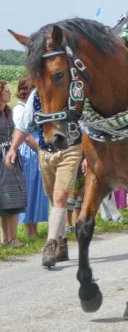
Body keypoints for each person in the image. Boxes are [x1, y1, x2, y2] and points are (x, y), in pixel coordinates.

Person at [5, 89, 82, 267]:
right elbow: (24, 126)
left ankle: (50, 245)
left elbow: (87, 123)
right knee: (54, 199)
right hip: (45, 151)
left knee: (60, 196)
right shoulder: (36, 95)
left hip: (70, 148)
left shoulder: (75, 91)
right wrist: (13, 149)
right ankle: (62, 242)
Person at [12, 75, 48, 238]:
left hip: (38, 148)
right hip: (29, 151)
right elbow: (25, 135)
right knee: (29, 190)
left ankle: (34, 228)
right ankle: (29, 230)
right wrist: (40, 149)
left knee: (38, 190)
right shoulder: (19, 109)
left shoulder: (34, 107)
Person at [0, 81, 26, 247]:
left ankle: (13, 238)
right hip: (1, 159)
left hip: (11, 156)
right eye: (6, 91)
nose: (10, 93)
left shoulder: (8, 112)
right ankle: (6, 239)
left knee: (15, 195)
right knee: (4, 197)